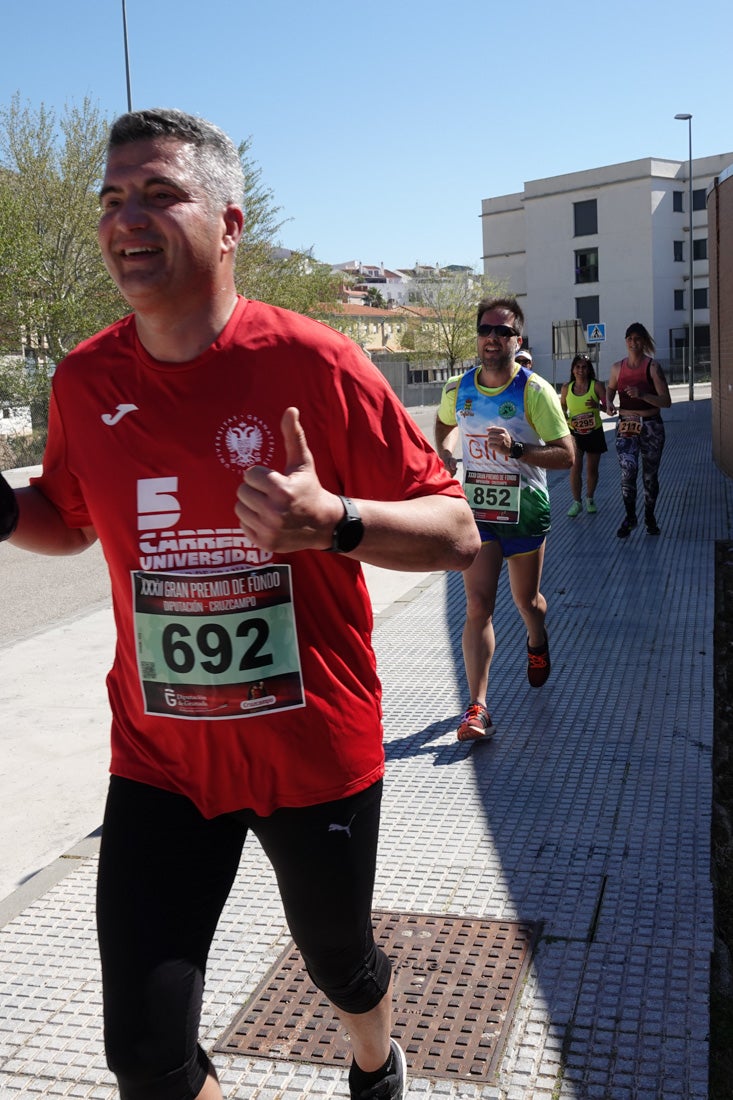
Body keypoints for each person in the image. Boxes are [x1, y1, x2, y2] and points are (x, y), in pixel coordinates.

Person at [0, 108, 481, 1100]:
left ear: (228, 224)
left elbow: (457, 530)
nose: (126, 215)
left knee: (340, 964)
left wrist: (335, 521)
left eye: (159, 192)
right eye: (112, 198)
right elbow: (67, 517)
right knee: (144, 1051)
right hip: (161, 755)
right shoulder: (86, 380)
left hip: (313, 752)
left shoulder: (311, 361)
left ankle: (375, 1056)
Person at [434, 297, 573, 742]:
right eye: (485, 329)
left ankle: (537, 639)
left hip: (525, 511)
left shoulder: (535, 392)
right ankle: (478, 708)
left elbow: (567, 456)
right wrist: (444, 451)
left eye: (503, 331)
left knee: (526, 603)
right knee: (478, 606)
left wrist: (516, 451)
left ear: (517, 340)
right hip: (477, 514)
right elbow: (441, 425)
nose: (492, 338)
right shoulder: (459, 389)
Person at [606, 322, 671, 538]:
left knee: (650, 475)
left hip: (651, 425)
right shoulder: (617, 367)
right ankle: (630, 517)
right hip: (626, 426)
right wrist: (608, 402)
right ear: (626, 341)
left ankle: (650, 516)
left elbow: (666, 401)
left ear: (644, 341)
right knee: (628, 473)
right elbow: (610, 389)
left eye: (638, 339)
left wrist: (642, 395)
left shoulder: (652, 367)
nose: (633, 343)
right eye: (630, 339)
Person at [560, 354, 608, 516]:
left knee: (591, 468)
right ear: (573, 370)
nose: (580, 370)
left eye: (584, 367)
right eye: (577, 367)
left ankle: (589, 498)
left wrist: (598, 406)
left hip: (594, 432)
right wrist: (565, 420)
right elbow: (562, 408)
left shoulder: (597, 386)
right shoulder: (567, 388)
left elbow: (610, 408)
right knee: (575, 467)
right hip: (575, 434)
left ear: (589, 370)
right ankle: (576, 502)